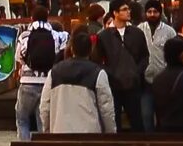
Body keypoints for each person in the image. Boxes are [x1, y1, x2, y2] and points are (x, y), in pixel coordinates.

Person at [38, 26, 118, 133]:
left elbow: (45, 106)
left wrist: (47, 130)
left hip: (60, 132)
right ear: (90, 50)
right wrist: (110, 132)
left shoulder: (54, 72)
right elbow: (106, 109)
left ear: (72, 49)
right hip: (89, 134)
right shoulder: (98, 73)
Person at [100, 0, 149, 133]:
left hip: (133, 84)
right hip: (113, 85)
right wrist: (111, 74)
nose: (129, 12)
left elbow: (145, 56)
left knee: (137, 122)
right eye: (124, 9)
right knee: (115, 123)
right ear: (115, 13)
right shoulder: (104, 36)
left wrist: (136, 72)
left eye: (129, 9)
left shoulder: (137, 33)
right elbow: (97, 61)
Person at [14, 8, 58, 138]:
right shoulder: (55, 35)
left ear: (32, 18)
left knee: (22, 118)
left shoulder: (25, 36)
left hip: (27, 82)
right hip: (47, 82)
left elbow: (18, 57)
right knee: (42, 119)